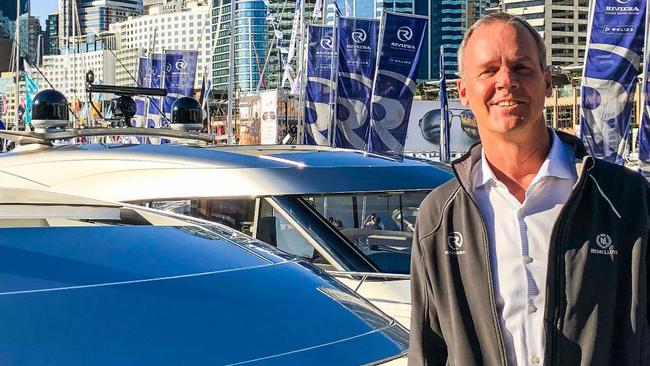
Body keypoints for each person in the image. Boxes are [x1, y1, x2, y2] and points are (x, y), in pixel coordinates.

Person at [409, 12, 650, 366]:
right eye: (488, 70)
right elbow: (428, 347)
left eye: (521, 68)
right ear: (463, 91)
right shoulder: (439, 215)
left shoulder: (625, 199)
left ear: (547, 81)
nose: (506, 81)